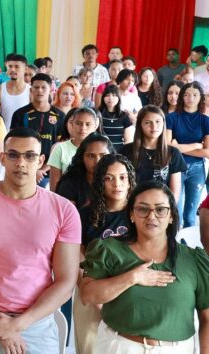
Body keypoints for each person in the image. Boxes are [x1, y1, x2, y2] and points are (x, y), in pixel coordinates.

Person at [0, 127, 81, 353]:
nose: (21, 163)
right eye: (13, 155)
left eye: (29, 156)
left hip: (37, 324)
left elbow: (66, 281)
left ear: (41, 161)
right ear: (2, 158)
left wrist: (17, 325)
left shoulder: (64, 210)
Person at [80, 181, 209, 353]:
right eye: (143, 209)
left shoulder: (193, 260)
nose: (151, 216)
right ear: (132, 215)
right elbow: (87, 296)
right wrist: (132, 277)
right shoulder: (109, 250)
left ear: (171, 216)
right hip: (120, 346)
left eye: (160, 209)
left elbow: (207, 319)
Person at [73, 154, 135, 353]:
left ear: (130, 180)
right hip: (90, 290)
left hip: (131, 291)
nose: (117, 184)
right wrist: (94, 296)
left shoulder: (139, 212)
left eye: (123, 177)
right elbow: (77, 260)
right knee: (90, 348)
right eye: (109, 178)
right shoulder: (84, 215)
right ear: (100, 181)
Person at [119, 105, 186, 203]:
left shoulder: (173, 153)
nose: (154, 126)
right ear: (140, 125)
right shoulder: (125, 151)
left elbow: (174, 193)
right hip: (132, 205)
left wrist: (166, 208)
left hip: (161, 205)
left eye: (158, 122)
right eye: (147, 122)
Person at [10, 73, 66, 186]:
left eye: (43, 87)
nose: (40, 90)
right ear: (31, 90)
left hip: (50, 172)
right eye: (36, 87)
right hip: (23, 169)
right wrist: (31, 169)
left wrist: (42, 170)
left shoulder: (60, 116)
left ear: (51, 90)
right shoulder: (20, 114)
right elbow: (13, 143)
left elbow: (61, 147)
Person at [165, 81, 209, 228]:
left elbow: (207, 152)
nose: (191, 98)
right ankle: (174, 241)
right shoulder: (172, 117)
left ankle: (187, 242)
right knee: (175, 212)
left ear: (200, 97)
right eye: (187, 94)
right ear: (182, 97)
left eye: (195, 95)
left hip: (197, 169)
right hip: (176, 167)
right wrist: (196, 145)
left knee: (190, 216)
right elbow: (167, 147)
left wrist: (177, 147)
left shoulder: (205, 120)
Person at [48, 107, 101, 192]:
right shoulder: (60, 148)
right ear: (72, 124)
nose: (83, 128)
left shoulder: (101, 148)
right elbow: (54, 187)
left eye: (88, 124)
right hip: (65, 197)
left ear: (95, 126)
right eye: (78, 123)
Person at [56, 132, 114, 208]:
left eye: (103, 155)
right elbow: (67, 214)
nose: (97, 161)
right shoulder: (69, 185)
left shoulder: (120, 182)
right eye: (91, 156)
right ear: (82, 158)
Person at [0, 54, 29, 128]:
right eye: (10, 66)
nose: (12, 70)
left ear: (25, 68)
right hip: (3, 133)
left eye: (17, 67)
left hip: (25, 134)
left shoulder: (31, 91)